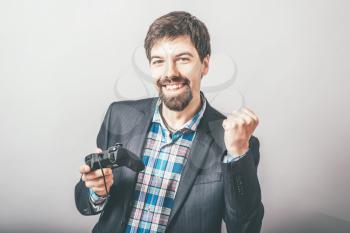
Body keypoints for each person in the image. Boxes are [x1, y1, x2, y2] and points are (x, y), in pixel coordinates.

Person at [75, 11, 264, 233]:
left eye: (183, 59)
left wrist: (238, 155)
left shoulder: (235, 143)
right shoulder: (119, 116)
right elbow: (84, 203)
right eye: (158, 61)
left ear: (204, 64)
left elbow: (245, 228)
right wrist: (97, 191)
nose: (170, 73)